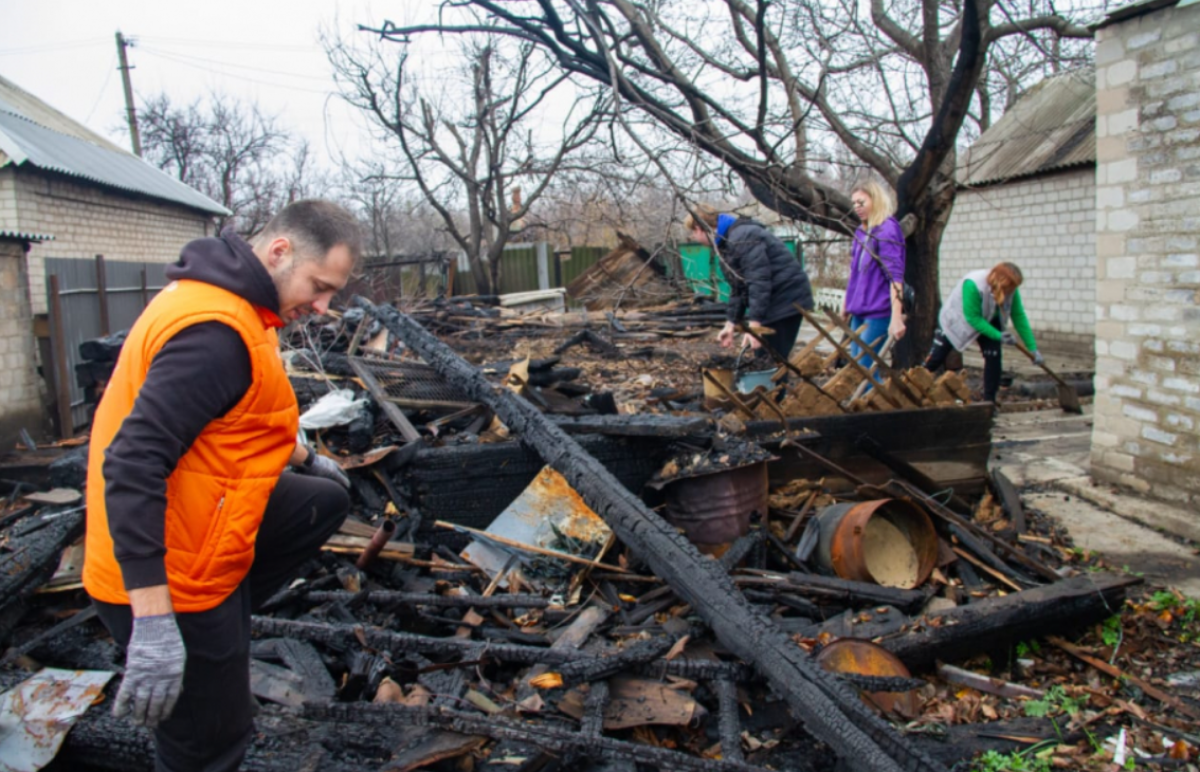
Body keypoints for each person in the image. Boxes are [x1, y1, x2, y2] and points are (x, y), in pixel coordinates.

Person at [83, 200, 363, 772]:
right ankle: (198, 641)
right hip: (168, 576)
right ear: (280, 251)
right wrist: (157, 622)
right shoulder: (216, 334)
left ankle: (221, 625)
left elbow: (240, 413)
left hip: (205, 528)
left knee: (322, 501)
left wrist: (307, 457)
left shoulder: (235, 305)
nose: (323, 305)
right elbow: (132, 463)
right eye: (318, 285)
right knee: (209, 746)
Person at [685, 204, 814, 360]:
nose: (693, 237)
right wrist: (731, 323)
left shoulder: (742, 238)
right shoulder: (727, 241)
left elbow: (758, 280)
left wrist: (754, 324)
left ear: (699, 228)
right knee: (766, 358)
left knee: (770, 360)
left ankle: (774, 383)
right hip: (774, 300)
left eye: (693, 232)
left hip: (786, 300)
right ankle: (769, 382)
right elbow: (738, 286)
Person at [924, 261, 1043, 404]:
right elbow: (973, 318)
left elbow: (1018, 316)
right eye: (1010, 288)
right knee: (936, 358)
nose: (1012, 292)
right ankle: (913, 387)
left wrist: (1033, 348)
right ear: (1001, 282)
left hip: (989, 318)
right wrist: (998, 335)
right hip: (957, 319)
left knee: (994, 358)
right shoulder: (973, 284)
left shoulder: (1011, 289)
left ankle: (989, 402)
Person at [844, 180, 906, 373]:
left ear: (875, 200)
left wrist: (896, 317)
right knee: (858, 370)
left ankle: (875, 403)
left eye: (861, 202)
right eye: (854, 203)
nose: (857, 207)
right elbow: (855, 273)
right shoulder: (861, 233)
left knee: (866, 371)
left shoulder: (887, 230)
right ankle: (866, 403)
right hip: (859, 312)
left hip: (878, 312)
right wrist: (847, 304)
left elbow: (895, 276)